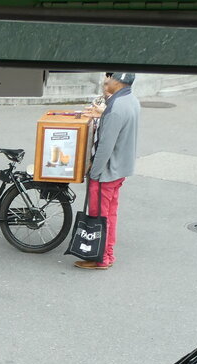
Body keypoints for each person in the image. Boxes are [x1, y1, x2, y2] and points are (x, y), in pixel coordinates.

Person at [74, 72, 140, 270]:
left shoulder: (116, 108)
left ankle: (101, 258)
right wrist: (101, 114)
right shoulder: (131, 100)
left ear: (118, 82)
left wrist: (94, 172)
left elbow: (105, 146)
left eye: (109, 78)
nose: (105, 81)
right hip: (120, 169)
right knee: (110, 214)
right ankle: (108, 253)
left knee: (99, 216)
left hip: (106, 173)